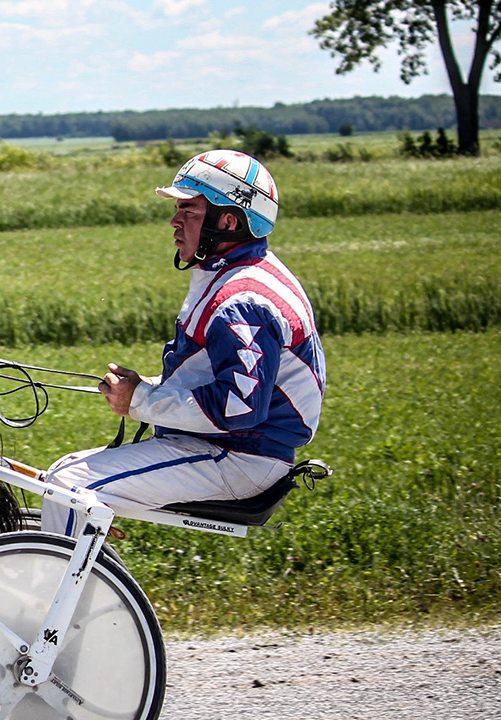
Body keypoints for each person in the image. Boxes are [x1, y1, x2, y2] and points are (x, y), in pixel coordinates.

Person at [41, 149, 326, 535]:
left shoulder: (242, 302)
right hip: (228, 446)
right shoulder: (234, 274)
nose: (175, 221)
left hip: (240, 457)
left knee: (68, 487)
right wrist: (144, 389)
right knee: (60, 473)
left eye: (189, 210)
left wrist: (139, 400)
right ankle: (83, 575)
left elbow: (239, 409)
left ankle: (60, 591)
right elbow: (217, 383)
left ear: (227, 221)